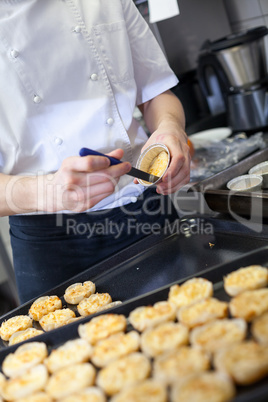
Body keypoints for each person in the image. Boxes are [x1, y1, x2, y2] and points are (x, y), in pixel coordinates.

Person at [0, 0, 190, 303]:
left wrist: (169, 128)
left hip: (145, 208)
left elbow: (156, 92)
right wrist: (46, 190)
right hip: (49, 243)